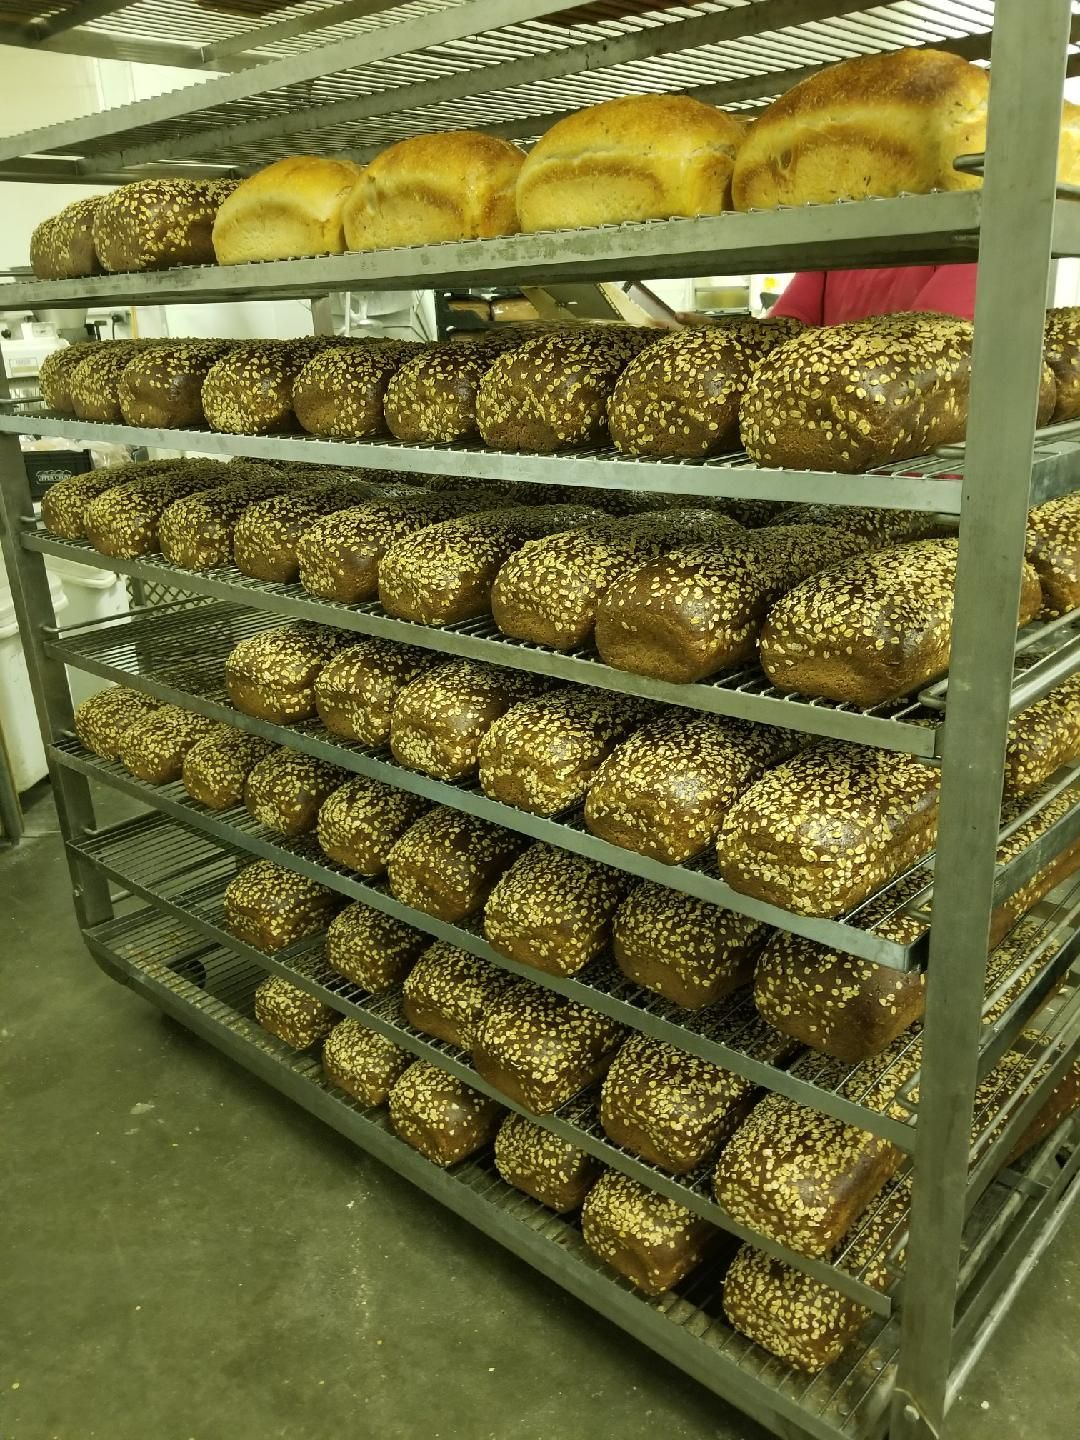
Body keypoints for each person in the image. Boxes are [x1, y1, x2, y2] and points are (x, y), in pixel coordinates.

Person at [768, 262, 977, 325]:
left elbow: (930, 344)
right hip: (830, 401)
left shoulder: (965, 243)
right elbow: (786, 326)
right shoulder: (837, 238)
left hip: (910, 412)